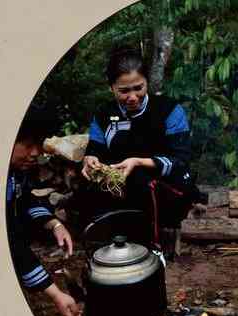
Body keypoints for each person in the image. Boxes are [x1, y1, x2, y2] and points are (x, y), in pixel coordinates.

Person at [81, 46, 199, 246]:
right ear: (111, 88)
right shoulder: (103, 114)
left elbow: (181, 160)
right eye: (124, 91)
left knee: (142, 181)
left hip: (166, 186)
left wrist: (138, 162)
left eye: (139, 88)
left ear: (147, 83)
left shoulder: (169, 110)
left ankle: (150, 247)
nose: (133, 97)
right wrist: (90, 160)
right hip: (120, 186)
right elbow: (95, 149)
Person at [6, 104, 81, 316]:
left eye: (38, 145)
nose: (36, 153)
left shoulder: (16, 171)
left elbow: (27, 198)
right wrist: (56, 293)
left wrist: (54, 223)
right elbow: (11, 243)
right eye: (28, 145)